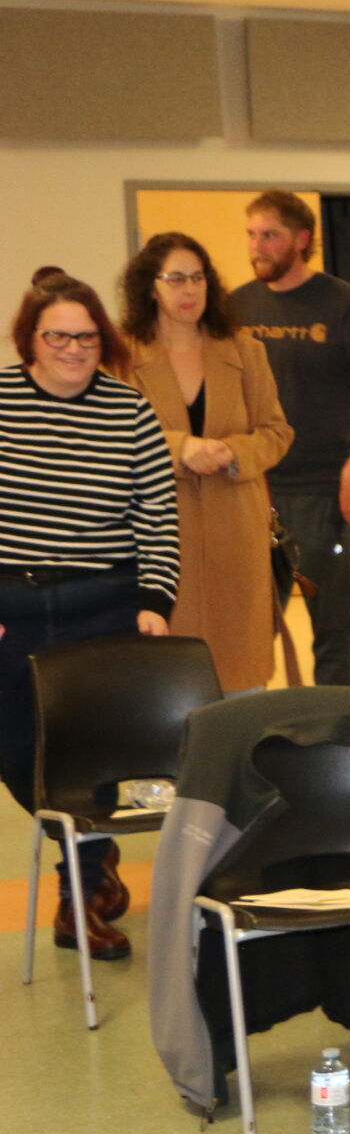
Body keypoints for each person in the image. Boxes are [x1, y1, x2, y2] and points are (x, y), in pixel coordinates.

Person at [0, 269, 178, 963]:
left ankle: (77, 895)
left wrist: (155, 602)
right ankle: (91, 854)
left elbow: (157, 516)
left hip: (102, 603)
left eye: (86, 336)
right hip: (12, 603)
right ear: (30, 339)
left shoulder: (129, 410)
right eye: (58, 336)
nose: (73, 349)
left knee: (90, 756)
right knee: (17, 751)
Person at [228, 191, 350, 685]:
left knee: (332, 629)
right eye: (252, 235)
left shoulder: (344, 304)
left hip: (326, 493)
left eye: (270, 235)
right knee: (249, 629)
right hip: (254, 490)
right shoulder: (236, 306)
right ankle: (244, 720)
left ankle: (332, 723)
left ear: (301, 239)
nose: (257, 246)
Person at [117, 232, 294, 692]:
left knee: (240, 678)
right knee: (168, 680)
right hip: (158, 535)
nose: (190, 290)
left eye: (198, 278)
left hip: (236, 529)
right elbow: (109, 438)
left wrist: (235, 453)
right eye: (175, 279)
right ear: (149, 286)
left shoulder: (245, 350)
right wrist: (178, 448)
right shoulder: (121, 356)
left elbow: (277, 432)